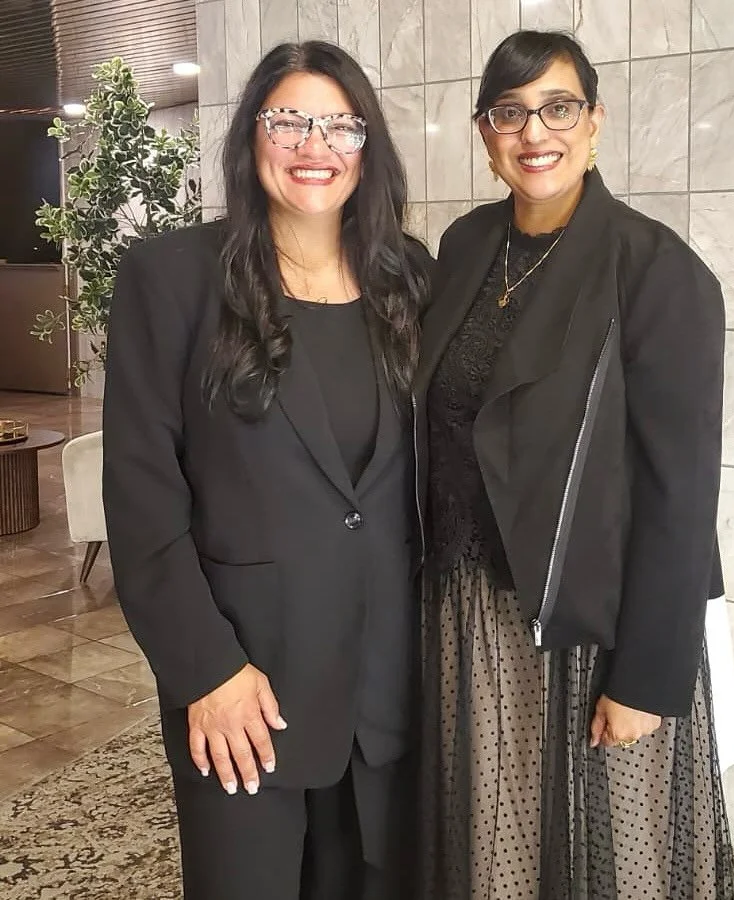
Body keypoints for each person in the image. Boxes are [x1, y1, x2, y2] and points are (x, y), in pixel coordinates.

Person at [103, 40, 431, 900]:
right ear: (252, 134)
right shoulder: (172, 278)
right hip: (245, 690)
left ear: (368, 146)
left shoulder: (410, 278)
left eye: (340, 126)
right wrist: (205, 669)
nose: (314, 146)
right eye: (289, 121)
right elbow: (141, 498)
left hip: (388, 692)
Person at [414, 30, 734, 899]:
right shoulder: (466, 246)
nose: (535, 133)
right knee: (498, 849)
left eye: (557, 108)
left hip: (593, 622)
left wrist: (647, 679)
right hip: (470, 611)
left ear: (595, 121)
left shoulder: (656, 268)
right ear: (485, 133)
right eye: (510, 112)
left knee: (612, 863)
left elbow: (680, 493)